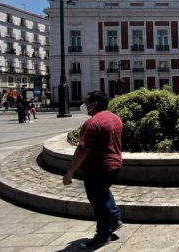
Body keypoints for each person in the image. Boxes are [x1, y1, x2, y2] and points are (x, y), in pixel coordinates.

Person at [63, 91, 124, 249]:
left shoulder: (92, 123)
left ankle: (103, 235)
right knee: (103, 193)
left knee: (98, 202)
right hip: (115, 164)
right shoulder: (115, 118)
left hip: (98, 167)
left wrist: (70, 171)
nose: (84, 104)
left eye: (87, 101)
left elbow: (83, 149)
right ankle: (115, 219)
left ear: (94, 104)